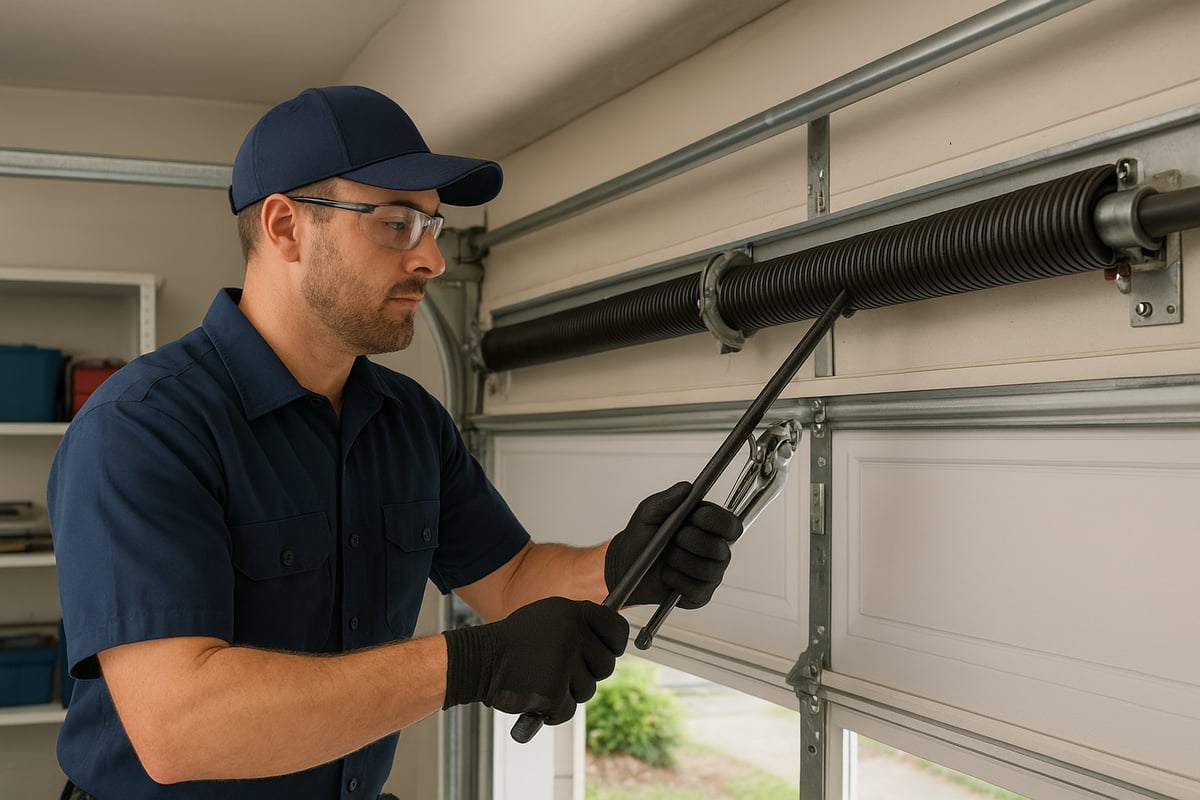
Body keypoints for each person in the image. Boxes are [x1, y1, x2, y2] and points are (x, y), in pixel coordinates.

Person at [47, 85, 743, 800]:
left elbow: (509, 581)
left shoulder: (408, 421)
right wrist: (468, 666)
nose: (433, 262)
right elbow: (180, 727)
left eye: (433, 227)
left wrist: (626, 562)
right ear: (285, 227)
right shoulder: (145, 429)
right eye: (398, 224)